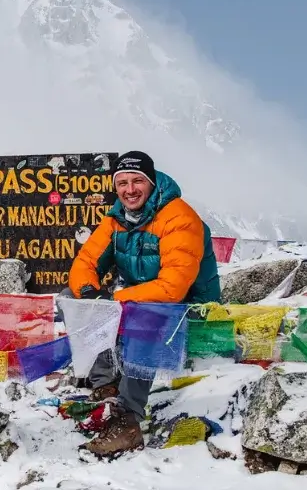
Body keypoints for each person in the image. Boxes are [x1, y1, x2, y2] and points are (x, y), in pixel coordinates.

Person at [66, 150, 220, 457]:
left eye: (137, 181)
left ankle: (129, 419)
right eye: (122, 182)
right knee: (74, 298)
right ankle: (106, 386)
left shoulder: (179, 217)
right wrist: (91, 295)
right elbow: (85, 263)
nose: (129, 189)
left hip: (189, 308)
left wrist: (114, 300)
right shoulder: (117, 219)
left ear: (151, 183)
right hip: (141, 299)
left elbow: (172, 289)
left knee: (146, 314)